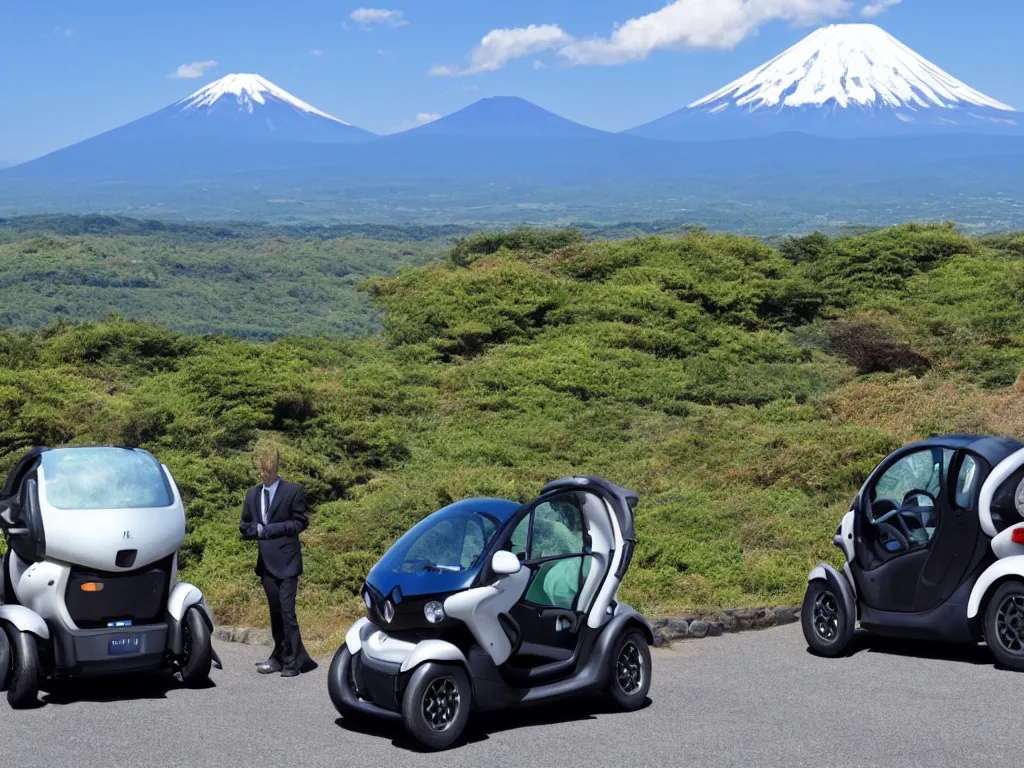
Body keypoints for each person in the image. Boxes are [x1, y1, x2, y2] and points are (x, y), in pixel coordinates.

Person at [239, 445, 317, 677]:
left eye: (270, 472)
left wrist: (269, 529)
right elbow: (244, 526)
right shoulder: (253, 495)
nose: (266, 475)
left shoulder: (293, 491)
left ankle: (292, 662)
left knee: (287, 611)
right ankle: (279, 656)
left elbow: (300, 523)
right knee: (275, 612)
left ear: (276, 470)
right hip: (266, 564)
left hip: (288, 561)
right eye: (263, 471)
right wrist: (256, 530)